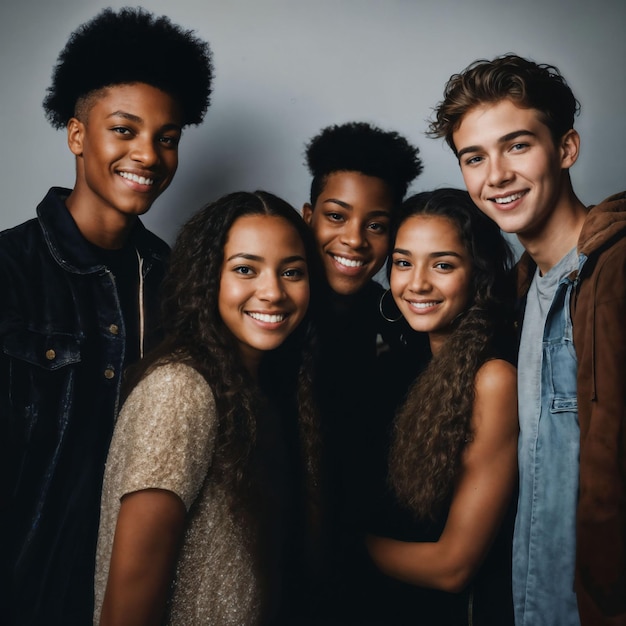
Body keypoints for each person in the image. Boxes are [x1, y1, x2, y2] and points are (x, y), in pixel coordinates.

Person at [0, 8, 213, 624]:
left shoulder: (176, 281)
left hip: (132, 592)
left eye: (167, 137)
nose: (148, 153)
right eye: (124, 129)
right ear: (76, 134)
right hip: (27, 588)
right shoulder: (10, 271)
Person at [429, 54, 626, 626]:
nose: (496, 176)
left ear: (565, 149)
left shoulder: (614, 274)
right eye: (475, 157)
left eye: (517, 146)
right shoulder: (516, 297)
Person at [94, 191, 320, 626]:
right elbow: (126, 610)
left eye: (291, 271)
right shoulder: (180, 392)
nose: (272, 291)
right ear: (207, 278)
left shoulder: (263, 389)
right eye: (245, 269)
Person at [358, 188, 518, 625]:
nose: (417, 283)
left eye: (443, 264)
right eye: (404, 262)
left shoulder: (494, 378)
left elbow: (453, 567)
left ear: (479, 274)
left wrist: (338, 545)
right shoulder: (403, 363)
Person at [300, 122, 425, 617]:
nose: (353, 240)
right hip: (282, 557)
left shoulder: (400, 315)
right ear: (308, 217)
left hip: (372, 571)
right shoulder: (271, 310)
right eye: (336, 216)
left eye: (376, 225)